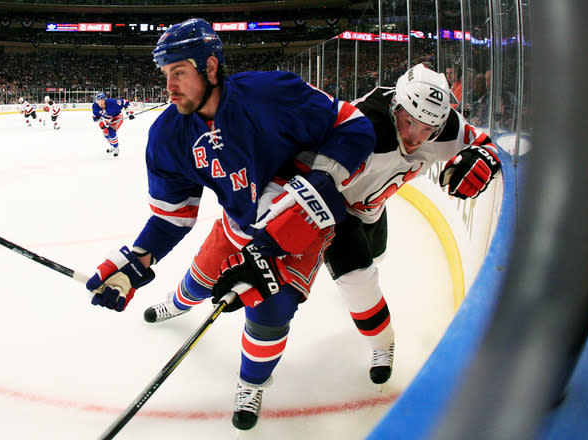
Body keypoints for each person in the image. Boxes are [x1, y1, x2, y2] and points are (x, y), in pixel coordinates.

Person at [84, 18, 375, 431]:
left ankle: (250, 382)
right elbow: (172, 216)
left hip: (300, 224)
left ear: (211, 67)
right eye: (166, 74)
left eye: (179, 72)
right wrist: (136, 262)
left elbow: (352, 125)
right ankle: (179, 302)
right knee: (201, 281)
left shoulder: (269, 94)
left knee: (272, 309)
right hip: (239, 224)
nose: (170, 86)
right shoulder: (168, 134)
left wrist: (319, 183)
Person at [315, 63, 500, 386]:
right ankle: (382, 346)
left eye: (428, 128)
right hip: (337, 208)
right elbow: (310, 172)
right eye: (410, 121)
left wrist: (484, 157)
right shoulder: (361, 129)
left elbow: (486, 143)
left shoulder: (445, 127)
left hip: (372, 208)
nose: (415, 136)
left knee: (375, 258)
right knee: (358, 279)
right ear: (395, 106)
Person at [91, 91, 135, 157]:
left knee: (111, 132)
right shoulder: (95, 107)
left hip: (117, 117)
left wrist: (129, 112)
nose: (100, 102)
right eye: (98, 100)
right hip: (107, 119)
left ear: (104, 99)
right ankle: (113, 146)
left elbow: (125, 102)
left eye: (102, 100)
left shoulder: (113, 103)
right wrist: (103, 127)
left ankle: (116, 147)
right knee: (106, 134)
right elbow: (96, 118)